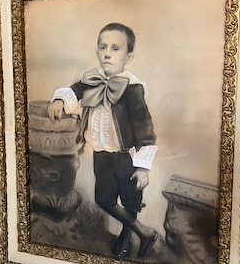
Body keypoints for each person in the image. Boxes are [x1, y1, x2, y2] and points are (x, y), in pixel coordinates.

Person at [47, 22, 158, 258]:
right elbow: (74, 91)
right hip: (100, 153)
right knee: (104, 199)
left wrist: (142, 167)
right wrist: (60, 101)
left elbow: (143, 126)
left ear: (129, 56)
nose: (107, 53)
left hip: (124, 155)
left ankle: (127, 234)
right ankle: (144, 231)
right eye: (103, 47)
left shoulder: (132, 88)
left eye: (115, 48)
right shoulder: (91, 80)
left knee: (130, 199)